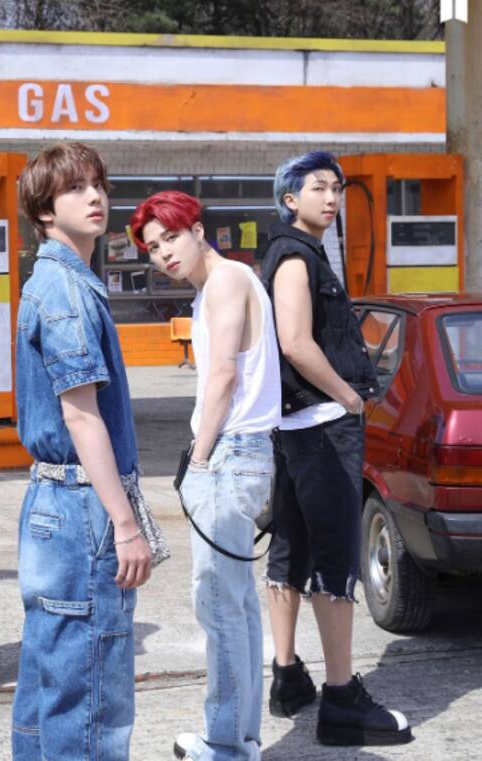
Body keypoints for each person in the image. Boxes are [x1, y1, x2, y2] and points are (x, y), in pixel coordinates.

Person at [261, 151, 410, 746]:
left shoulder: (294, 252)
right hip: (322, 427)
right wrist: (349, 397)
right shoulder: (296, 255)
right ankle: (342, 699)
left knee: (290, 549)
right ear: (290, 198)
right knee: (335, 559)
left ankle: (287, 677)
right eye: (318, 187)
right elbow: (295, 342)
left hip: (297, 429)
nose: (331, 197)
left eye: (337, 188)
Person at [11, 142, 153, 760]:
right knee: (90, 695)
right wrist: (126, 523)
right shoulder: (65, 290)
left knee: (53, 679)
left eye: (98, 185)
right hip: (79, 507)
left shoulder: (54, 282)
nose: (94, 197)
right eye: (75, 188)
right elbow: (80, 412)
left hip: (53, 502)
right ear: (44, 210)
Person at [132, 190, 280, 761]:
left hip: (228, 455)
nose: (163, 253)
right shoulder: (226, 283)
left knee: (219, 606)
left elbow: (223, 375)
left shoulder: (224, 282)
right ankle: (241, 737)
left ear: (198, 230)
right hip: (244, 453)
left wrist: (198, 458)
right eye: (153, 247)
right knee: (236, 605)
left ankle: (225, 743)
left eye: (171, 237)